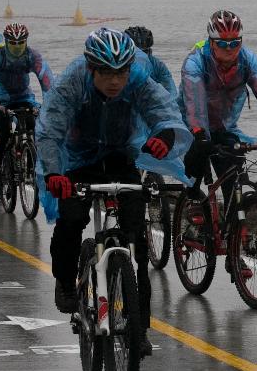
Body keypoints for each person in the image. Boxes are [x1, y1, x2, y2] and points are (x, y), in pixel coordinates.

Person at [36, 28, 190, 337]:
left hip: (120, 157)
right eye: (106, 73)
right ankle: (66, 281)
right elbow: (50, 129)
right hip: (78, 161)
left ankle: (140, 326)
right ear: (91, 68)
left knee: (138, 238)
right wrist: (54, 173)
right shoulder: (72, 83)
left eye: (120, 73)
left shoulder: (137, 81)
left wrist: (165, 135)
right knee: (72, 219)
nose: (114, 81)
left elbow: (163, 110)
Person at [179, 10, 257, 207]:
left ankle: (233, 229)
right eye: (222, 43)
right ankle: (191, 203)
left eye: (235, 43)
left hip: (223, 126)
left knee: (234, 183)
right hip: (192, 124)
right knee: (195, 169)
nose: (229, 48)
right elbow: (194, 103)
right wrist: (199, 134)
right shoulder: (195, 62)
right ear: (211, 42)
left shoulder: (248, 60)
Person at [0, 23, 54, 172]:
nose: (17, 46)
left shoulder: (32, 55)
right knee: (3, 134)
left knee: (34, 127)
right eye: (13, 43)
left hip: (23, 95)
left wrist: (50, 104)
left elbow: (46, 81)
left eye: (21, 43)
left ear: (26, 41)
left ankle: (31, 165)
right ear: (6, 41)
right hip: (1, 97)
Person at [125, 25, 176, 96]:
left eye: (145, 52)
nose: (143, 57)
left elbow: (171, 91)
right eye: (138, 53)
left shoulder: (158, 65)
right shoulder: (123, 67)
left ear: (150, 51)